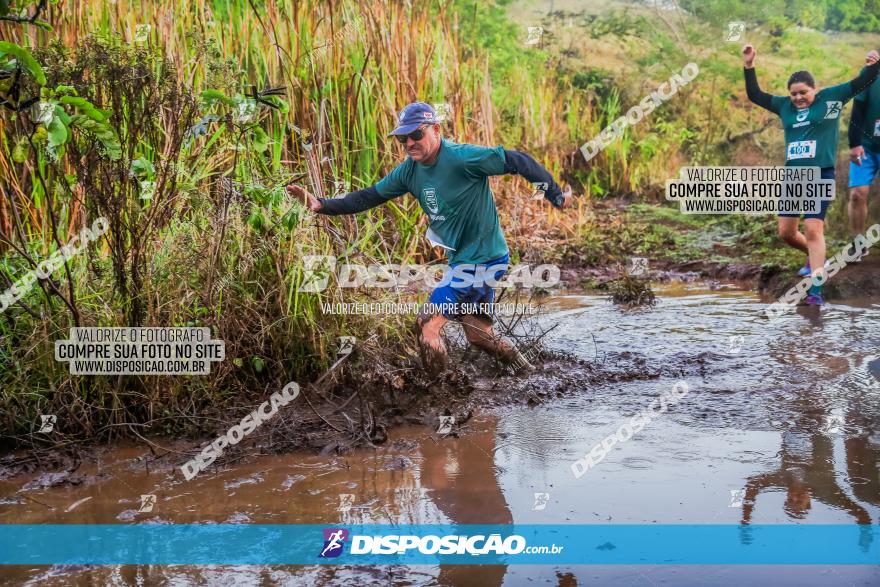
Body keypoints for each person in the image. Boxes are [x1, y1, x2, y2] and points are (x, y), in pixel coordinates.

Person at [287, 102, 571, 374]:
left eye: (416, 134)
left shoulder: (462, 158)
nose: (410, 143)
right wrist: (321, 205)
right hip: (465, 260)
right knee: (478, 336)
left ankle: (444, 397)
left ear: (435, 129)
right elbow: (368, 197)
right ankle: (525, 368)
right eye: (403, 139)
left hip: (483, 259)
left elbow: (517, 160)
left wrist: (555, 194)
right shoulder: (409, 171)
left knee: (428, 323)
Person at [743, 44, 880, 305]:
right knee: (786, 232)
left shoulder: (832, 98)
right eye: (793, 94)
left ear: (814, 89)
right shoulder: (784, 107)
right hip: (794, 177)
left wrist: (873, 64)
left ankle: (815, 290)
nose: (798, 97)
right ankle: (817, 256)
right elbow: (755, 94)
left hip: (821, 173)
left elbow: (862, 81)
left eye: (803, 92)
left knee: (813, 228)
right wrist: (749, 66)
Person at [848, 51, 880, 246]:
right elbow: (857, 108)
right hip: (866, 146)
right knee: (857, 194)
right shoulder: (871, 71)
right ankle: (858, 242)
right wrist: (854, 143)